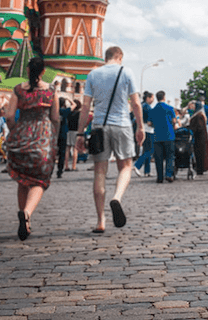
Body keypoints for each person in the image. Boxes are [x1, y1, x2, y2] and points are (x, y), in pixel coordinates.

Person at [78, 46, 144, 233]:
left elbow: (85, 106)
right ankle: (116, 198)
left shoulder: (93, 75)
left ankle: (100, 221)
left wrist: (80, 133)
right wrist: (139, 127)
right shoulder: (126, 72)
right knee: (125, 167)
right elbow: (136, 103)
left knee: (99, 172)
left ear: (105, 58)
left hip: (99, 126)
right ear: (120, 57)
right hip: (122, 125)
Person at [4, 56, 59, 240]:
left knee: (23, 179)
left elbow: (9, 116)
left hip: (22, 135)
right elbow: (55, 118)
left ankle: (24, 220)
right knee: (39, 180)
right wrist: (53, 137)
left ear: (27, 70)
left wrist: (16, 132)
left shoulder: (18, 90)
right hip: (43, 137)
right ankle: (27, 213)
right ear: (43, 72)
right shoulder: (51, 90)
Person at [149, 91, 177, 183]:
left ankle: (159, 177)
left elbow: (149, 123)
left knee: (158, 158)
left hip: (157, 136)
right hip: (169, 135)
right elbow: (174, 120)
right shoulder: (169, 108)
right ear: (164, 97)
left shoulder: (153, 110)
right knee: (170, 156)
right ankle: (168, 174)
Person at [188, 100, 208, 176]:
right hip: (200, 138)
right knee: (200, 153)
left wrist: (191, 128)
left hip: (199, 138)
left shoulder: (199, 116)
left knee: (200, 154)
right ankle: (200, 168)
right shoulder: (200, 115)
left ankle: (200, 169)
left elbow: (198, 127)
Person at [134, 91, 155, 177]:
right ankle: (137, 165)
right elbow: (151, 120)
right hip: (148, 130)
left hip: (143, 128)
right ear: (148, 98)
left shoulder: (142, 105)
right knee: (150, 150)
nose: (153, 100)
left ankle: (147, 171)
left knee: (146, 150)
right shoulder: (148, 107)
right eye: (152, 98)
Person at [64, 98, 80, 172]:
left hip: (69, 131)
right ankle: (74, 166)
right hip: (76, 131)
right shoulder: (79, 113)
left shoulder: (69, 112)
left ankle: (66, 166)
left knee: (67, 149)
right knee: (75, 149)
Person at [56, 98, 70, 178]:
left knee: (52, 152)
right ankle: (59, 171)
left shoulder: (54, 110)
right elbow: (74, 105)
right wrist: (70, 101)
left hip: (54, 133)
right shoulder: (65, 111)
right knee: (62, 153)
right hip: (63, 133)